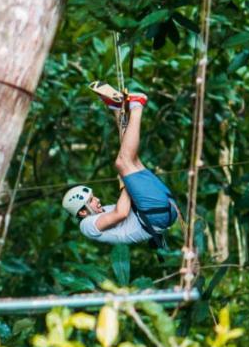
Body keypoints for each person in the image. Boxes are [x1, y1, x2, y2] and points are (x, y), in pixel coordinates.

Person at [61, 88, 179, 248]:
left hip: (161, 208)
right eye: (91, 201)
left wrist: (125, 182)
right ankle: (137, 105)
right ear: (82, 212)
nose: (97, 200)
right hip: (155, 215)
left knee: (130, 160)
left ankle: (116, 109)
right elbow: (122, 213)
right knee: (123, 163)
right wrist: (125, 181)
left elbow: (127, 198)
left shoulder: (101, 212)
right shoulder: (87, 225)